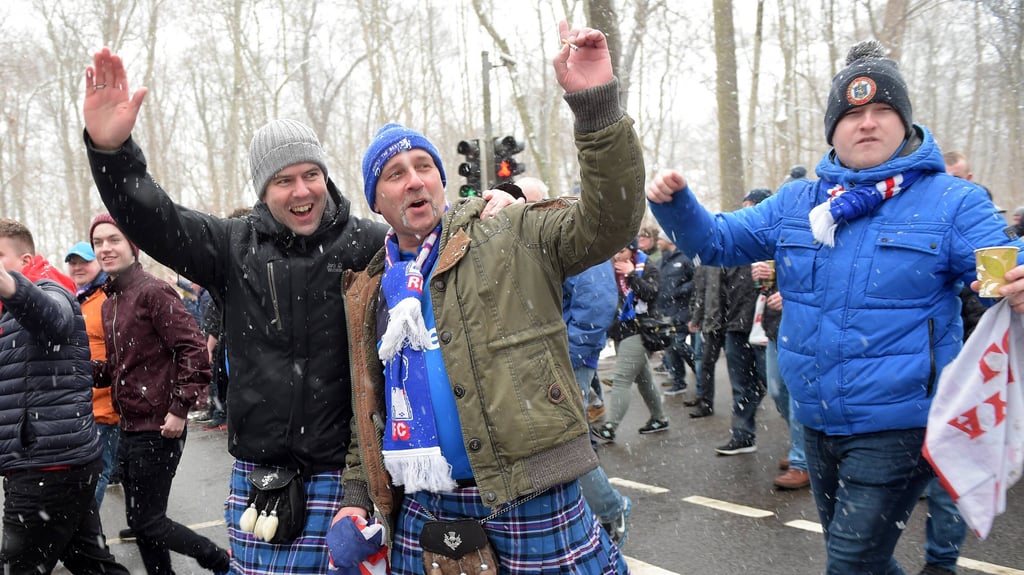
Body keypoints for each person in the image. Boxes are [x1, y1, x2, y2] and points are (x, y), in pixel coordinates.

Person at [82, 48, 516, 573]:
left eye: (310, 174)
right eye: (282, 181)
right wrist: (112, 152)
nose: (301, 190)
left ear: (325, 178)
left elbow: (436, 241)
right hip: (263, 478)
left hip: (348, 475)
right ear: (264, 192)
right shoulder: (230, 246)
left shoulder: (370, 245)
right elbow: (155, 220)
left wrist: (495, 206)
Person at [648, 40, 1024, 574]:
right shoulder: (800, 200)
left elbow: (1001, 275)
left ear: (904, 122)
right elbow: (718, 243)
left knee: (849, 564)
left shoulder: (953, 202)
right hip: (817, 420)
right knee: (859, 560)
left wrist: (1018, 282)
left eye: (881, 111)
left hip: (899, 424)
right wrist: (675, 203)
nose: (866, 124)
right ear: (833, 130)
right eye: (852, 115)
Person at [337, 22, 642, 574]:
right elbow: (370, 412)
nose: (414, 181)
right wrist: (356, 500)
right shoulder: (371, 291)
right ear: (375, 201)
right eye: (394, 174)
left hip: (530, 495)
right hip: (427, 508)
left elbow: (609, 223)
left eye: (424, 167)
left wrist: (595, 109)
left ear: (441, 182)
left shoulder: (506, 231)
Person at [90, 213, 230, 574]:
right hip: (129, 425)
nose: (105, 248)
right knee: (142, 524)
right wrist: (80, 369)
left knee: (148, 522)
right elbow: (123, 366)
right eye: (98, 242)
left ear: (132, 246)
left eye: (113, 239)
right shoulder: (110, 302)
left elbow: (194, 351)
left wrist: (180, 408)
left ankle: (219, 560)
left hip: (160, 426)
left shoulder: (152, 290)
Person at [0, 218, 129, 575]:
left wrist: (9, 286)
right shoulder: (8, 311)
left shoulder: (51, 289)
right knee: (92, 564)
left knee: (18, 569)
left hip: (47, 465)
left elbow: (53, 318)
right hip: (54, 462)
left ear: (26, 262)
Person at [592, 239, 668, 442]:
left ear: (632, 251)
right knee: (644, 379)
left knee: (622, 380)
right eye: (615, 251)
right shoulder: (609, 269)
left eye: (622, 250)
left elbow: (651, 294)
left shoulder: (647, 266)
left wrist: (632, 274)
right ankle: (659, 418)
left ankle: (610, 427)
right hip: (619, 331)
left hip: (640, 330)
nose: (617, 255)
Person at [64, 241, 121, 506]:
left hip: (103, 405)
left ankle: (84, 533)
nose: (77, 267)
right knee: (83, 474)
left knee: (98, 473)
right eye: (73, 262)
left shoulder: (106, 298)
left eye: (83, 262)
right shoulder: (77, 297)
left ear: (97, 263)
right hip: (78, 403)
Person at [752, 261, 810, 489]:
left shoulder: (819, 235)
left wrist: (795, 299)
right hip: (776, 330)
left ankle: (802, 462)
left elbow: (827, 281)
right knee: (776, 390)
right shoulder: (780, 242)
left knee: (798, 396)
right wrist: (764, 278)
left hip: (801, 331)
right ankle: (802, 444)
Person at [655, 232, 695, 396]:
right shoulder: (661, 261)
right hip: (664, 312)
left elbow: (697, 279)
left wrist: (680, 290)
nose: (658, 242)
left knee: (678, 344)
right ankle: (678, 381)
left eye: (660, 239)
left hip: (682, 310)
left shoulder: (685, 258)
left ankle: (698, 366)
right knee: (670, 347)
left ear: (668, 240)